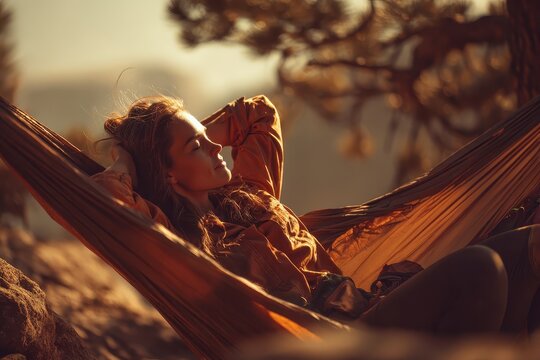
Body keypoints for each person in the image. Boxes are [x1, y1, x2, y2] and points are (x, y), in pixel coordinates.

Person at [92, 94, 540, 337]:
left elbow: (257, 114)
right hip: (333, 338)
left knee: (528, 247)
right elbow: (106, 199)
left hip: (371, 306)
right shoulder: (178, 240)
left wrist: (189, 135)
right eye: (196, 147)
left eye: (209, 137)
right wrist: (128, 161)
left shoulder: (249, 193)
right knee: (480, 269)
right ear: (166, 177)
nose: (215, 146)